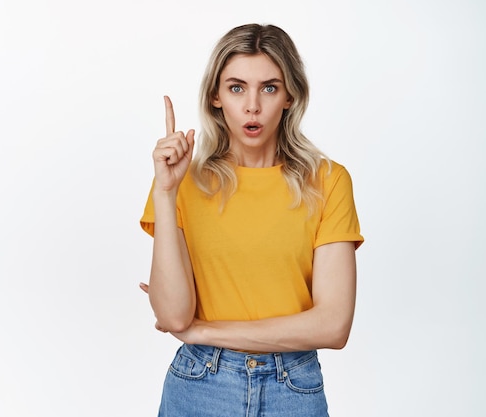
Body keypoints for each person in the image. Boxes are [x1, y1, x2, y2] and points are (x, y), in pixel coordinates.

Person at [138, 23, 364, 417]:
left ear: (291, 95)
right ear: (216, 96)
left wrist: (204, 331)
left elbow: (333, 325)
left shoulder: (328, 181)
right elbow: (173, 316)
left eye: (270, 87)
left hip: (292, 387)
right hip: (199, 385)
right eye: (237, 87)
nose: (253, 106)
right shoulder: (180, 181)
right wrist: (164, 192)